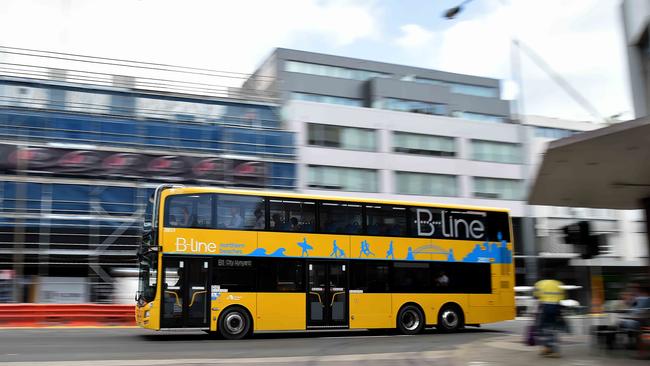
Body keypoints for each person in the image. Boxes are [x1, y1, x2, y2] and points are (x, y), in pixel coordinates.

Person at [533, 276, 566, 357]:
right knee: (553, 329)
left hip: (545, 308)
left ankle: (550, 349)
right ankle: (549, 349)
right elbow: (562, 297)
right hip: (556, 308)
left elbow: (535, 296)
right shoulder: (559, 284)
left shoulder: (539, 283)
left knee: (542, 329)